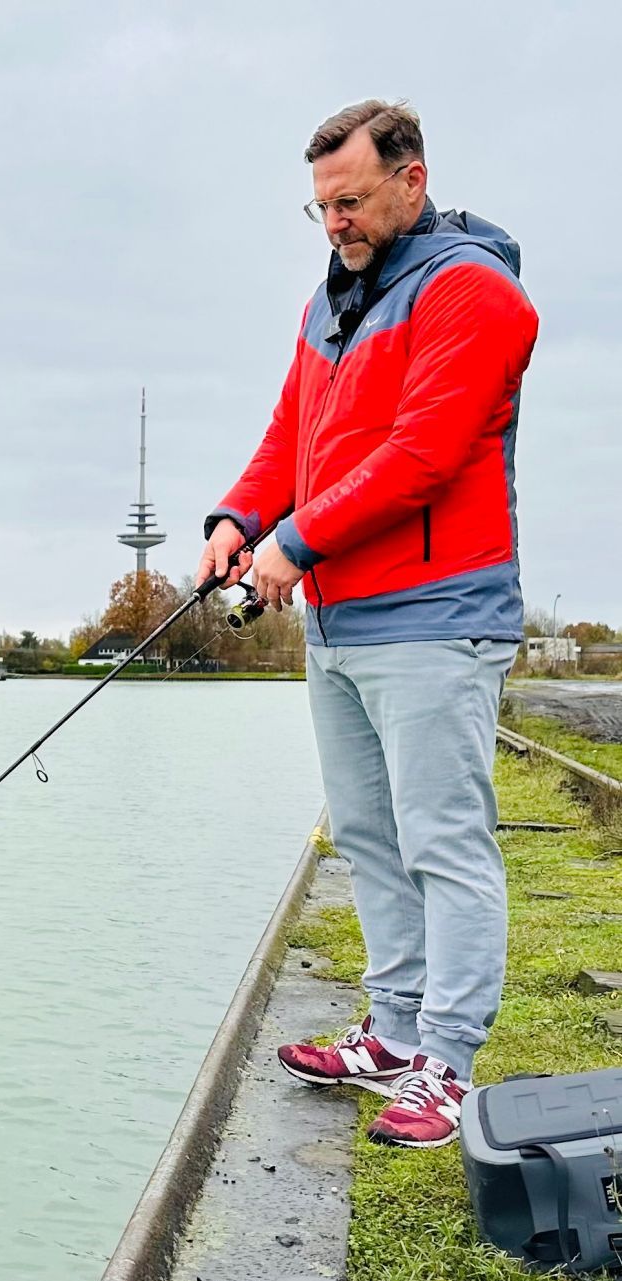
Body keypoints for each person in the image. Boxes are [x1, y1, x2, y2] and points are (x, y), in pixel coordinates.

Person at [193, 100, 539, 1148]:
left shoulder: (472, 293)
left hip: (436, 619)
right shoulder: (326, 303)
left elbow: (423, 453)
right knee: (369, 840)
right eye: (320, 207)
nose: (334, 222)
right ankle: (388, 1033)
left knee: (444, 841)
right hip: (341, 625)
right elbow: (289, 436)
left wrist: (293, 545)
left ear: (409, 179)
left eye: (349, 201)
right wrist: (236, 519)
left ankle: (443, 1060)